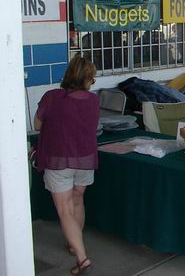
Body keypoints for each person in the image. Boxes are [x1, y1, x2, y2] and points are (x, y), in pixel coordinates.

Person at [34, 55, 99, 275]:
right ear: (86, 78)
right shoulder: (93, 100)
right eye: (92, 78)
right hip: (85, 160)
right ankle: (73, 245)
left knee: (65, 210)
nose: (93, 83)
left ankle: (82, 259)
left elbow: (37, 125)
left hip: (58, 161)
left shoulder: (52, 97)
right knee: (77, 202)